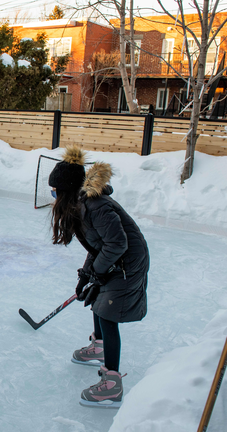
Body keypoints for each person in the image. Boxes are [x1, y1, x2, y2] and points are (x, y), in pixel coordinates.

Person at [47, 146, 149, 408]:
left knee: (106, 312)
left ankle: (112, 386)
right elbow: (99, 247)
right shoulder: (82, 206)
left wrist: (99, 273)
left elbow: (116, 245)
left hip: (127, 264)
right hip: (116, 260)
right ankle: (100, 346)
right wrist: (86, 275)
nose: (53, 196)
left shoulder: (97, 207)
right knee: (97, 299)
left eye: (54, 191)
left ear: (67, 190)